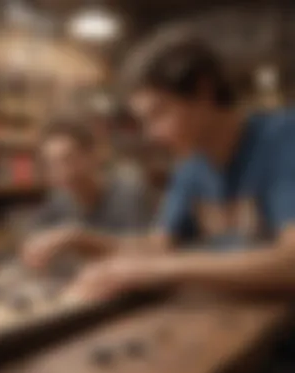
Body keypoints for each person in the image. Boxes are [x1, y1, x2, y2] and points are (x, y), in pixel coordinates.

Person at [65, 28, 295, 302]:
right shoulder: (191, 167)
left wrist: (160, 269)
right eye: (144, 121)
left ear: (203, 90)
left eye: (159, 113)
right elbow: (158, 246)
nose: (151, 134)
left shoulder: (283, 138)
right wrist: (79, 238)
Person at [22, 119, 152, 269]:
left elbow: (144, 256)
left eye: (69, 159)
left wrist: (75, 237)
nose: (61, 173)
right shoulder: (59, 199)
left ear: (93, 156)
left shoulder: (130, 195)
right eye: (52, 164)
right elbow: (32, 240)